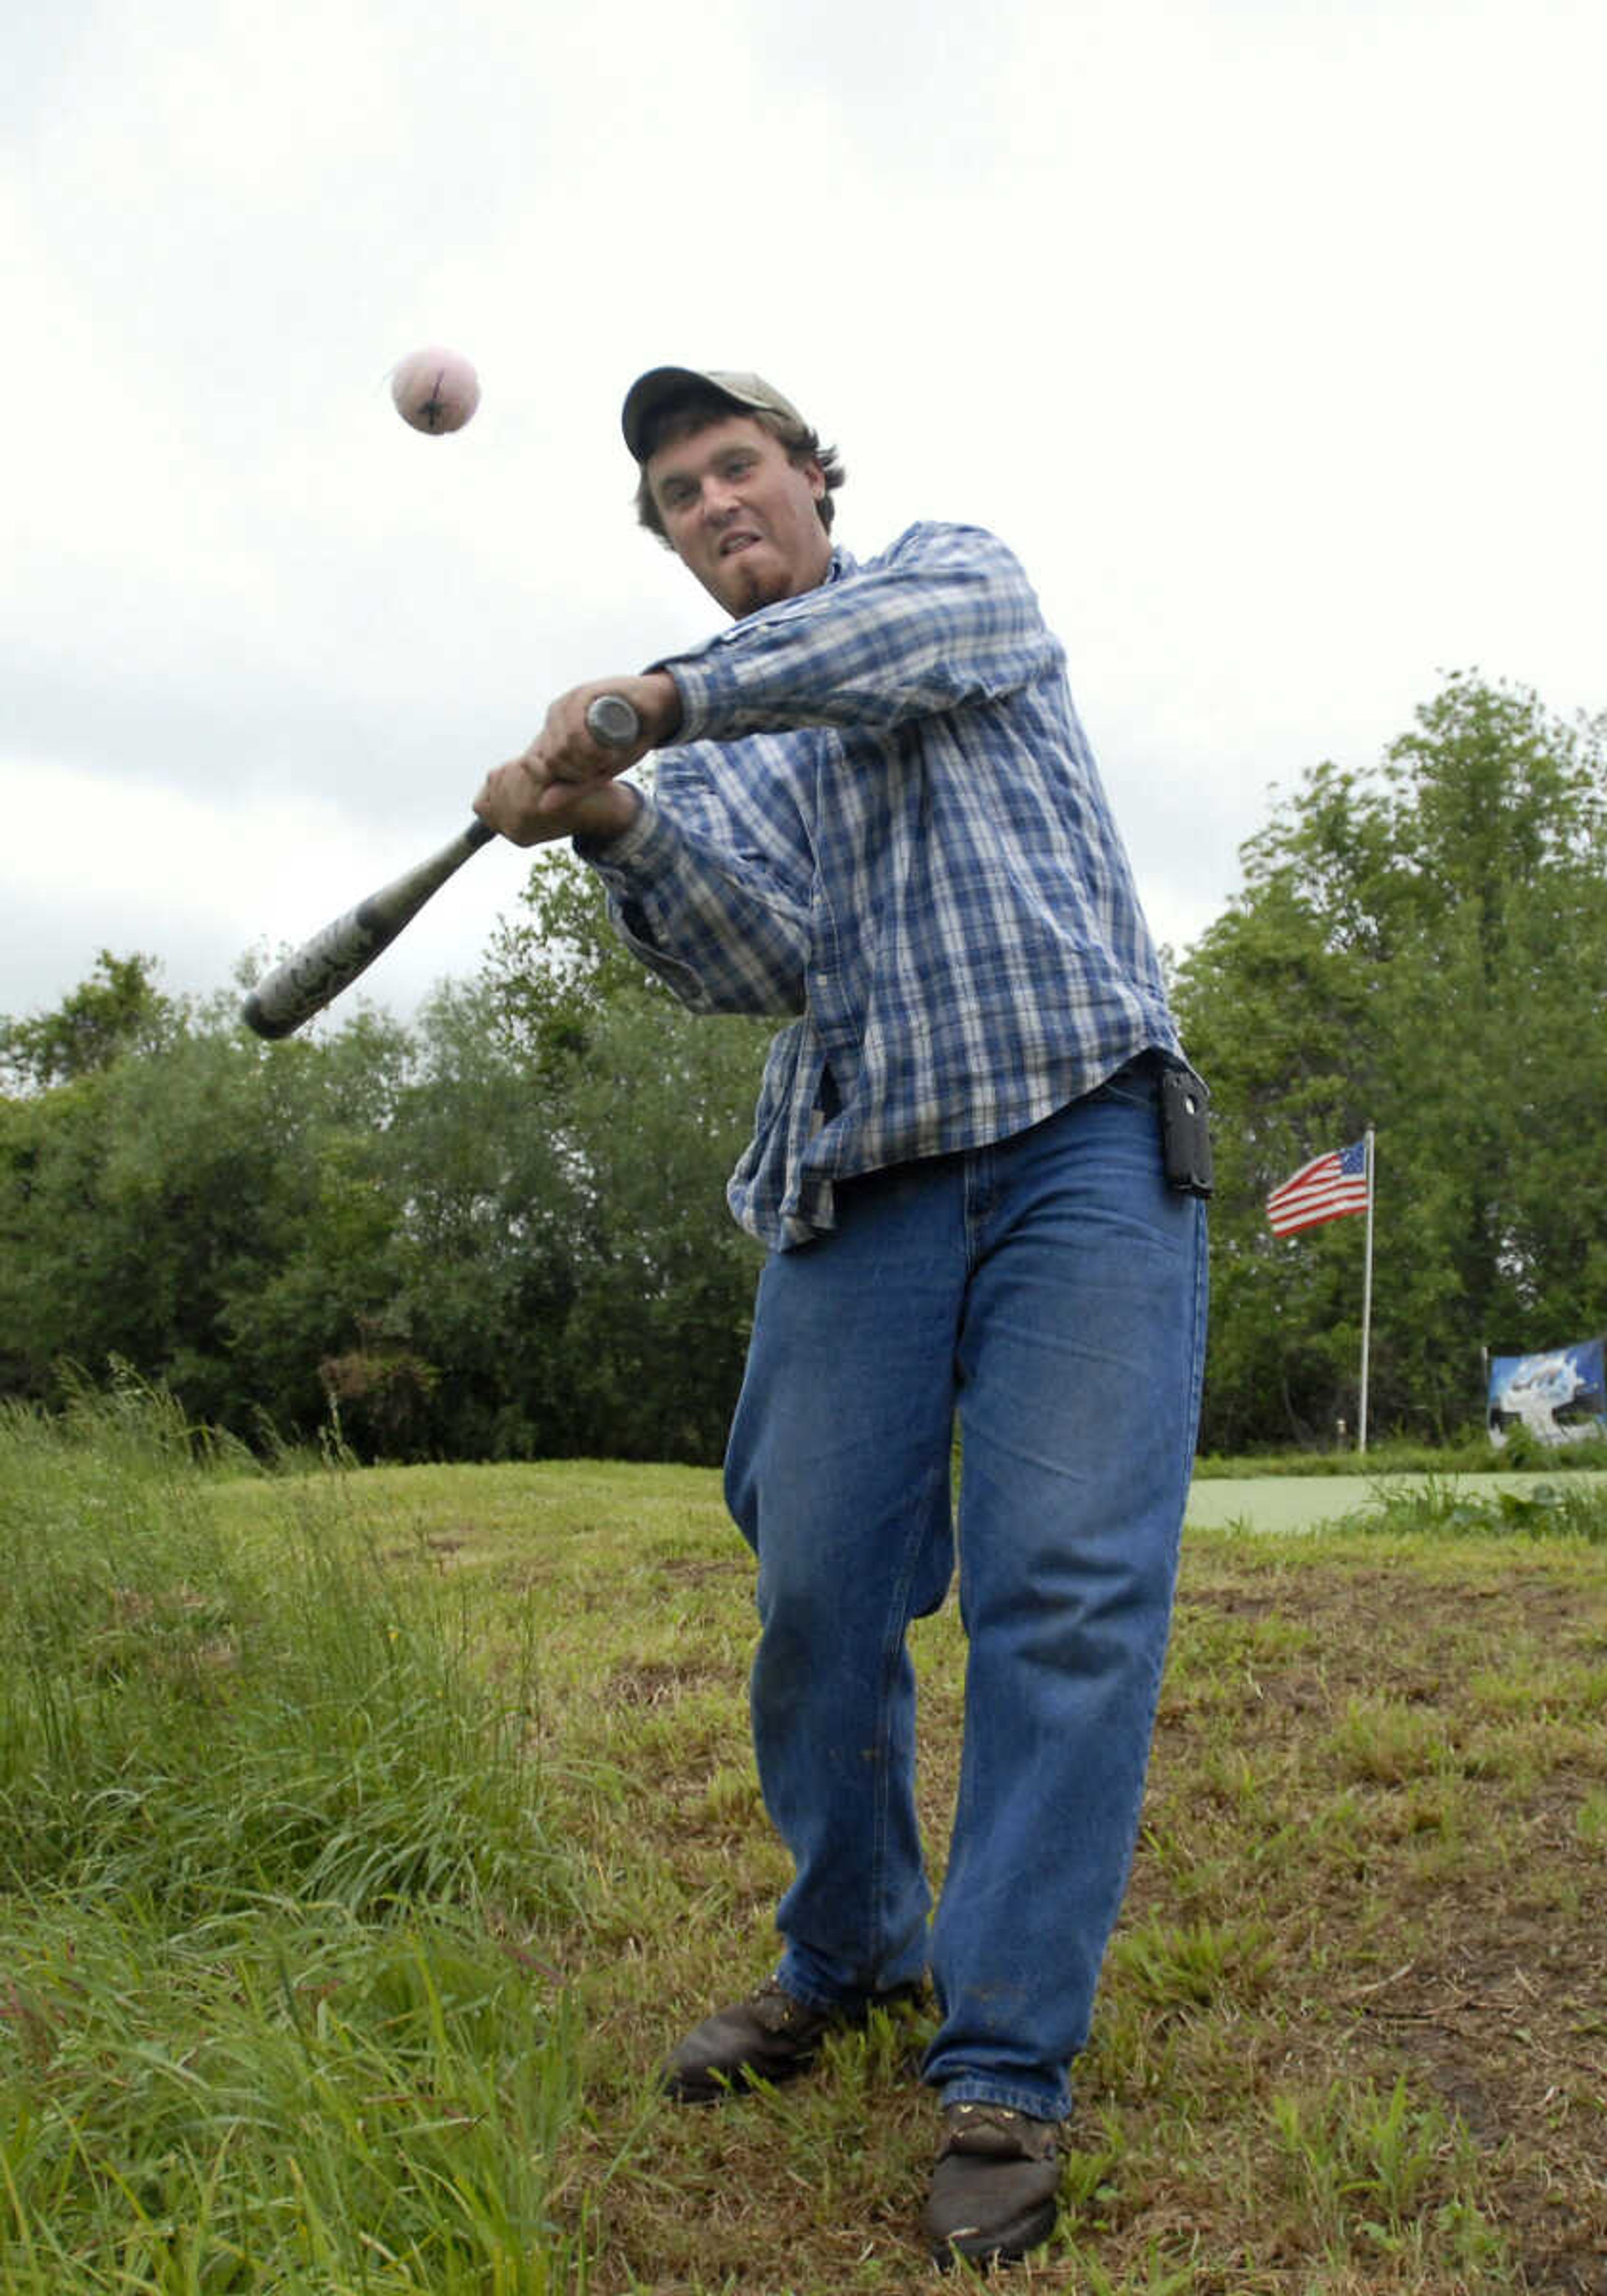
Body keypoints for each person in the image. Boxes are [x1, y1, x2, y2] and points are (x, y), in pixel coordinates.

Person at [474, 366, 1210, 2270]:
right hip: (859, 1184)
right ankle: (853, 1947)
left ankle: (1004, 2064)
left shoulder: (952, 580)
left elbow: (894, 647)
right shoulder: (721, 748)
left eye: (741, 465)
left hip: (1080, 1148)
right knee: (813, 1588)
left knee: (1065, 1597)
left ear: (813, 478)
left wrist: (649, 699)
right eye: (679, 495)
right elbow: (755, 957)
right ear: (668, 538)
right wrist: (622, 817)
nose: (718, 501)